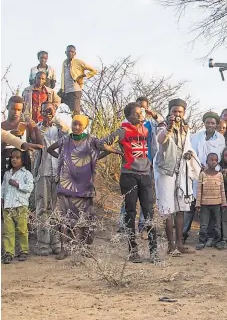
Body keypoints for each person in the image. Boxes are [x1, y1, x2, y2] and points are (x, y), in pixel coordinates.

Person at [48, 115, 114, 260]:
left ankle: (85, 248)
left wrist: (93, 159)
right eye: (74, 124)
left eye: (80, 125)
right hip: (66, 184)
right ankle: (65, 249)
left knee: (85, 218)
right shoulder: (65, 139)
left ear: (85, 126)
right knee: (64, 218)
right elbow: (50, 149)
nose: (76, 127)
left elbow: (106, 149)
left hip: (85, 184)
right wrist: (63, 159)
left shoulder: (92, 140)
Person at [99, 102, 158, 263]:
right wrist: (118, 151)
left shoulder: (145, 130)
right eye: (136, 113)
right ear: (128, 116)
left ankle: (154, 252)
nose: (140, 116)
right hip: (129, 175)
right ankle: (133, 251)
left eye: (141, 113)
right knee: (131, 212)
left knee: (149, 212)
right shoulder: (123, 131)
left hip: (145, 174)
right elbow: (102, 143)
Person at [155, 98, 200, 256]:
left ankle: (180, 244)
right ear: (170, 112)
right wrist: (169, 127)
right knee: (168, 209)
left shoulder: (186, 129)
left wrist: (189, 153)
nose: (177, 114)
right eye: (174, 111)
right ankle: (170, 246)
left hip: (181, 171)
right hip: (166, 171)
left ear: (184, 113)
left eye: (180, 111)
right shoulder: (162, 126)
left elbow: (187, 147)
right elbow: (161, 140)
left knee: (180, 208)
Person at [33, 102, 69, 256]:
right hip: (43, 172)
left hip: (58, 173)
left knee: (57, 210)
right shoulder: (38, 127)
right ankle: (43, 244)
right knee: (42, 208)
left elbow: (68, 134)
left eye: (50, 110)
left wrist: (56, 119)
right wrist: (44, 125)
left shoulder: (59, 127)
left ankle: (56, 243)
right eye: (44, 110)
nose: (47, 113)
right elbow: (37, 141)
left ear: (55, 111)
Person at [1, 149, 34, 264]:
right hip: (8, 206)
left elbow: (30, 188)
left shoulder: (26, 174)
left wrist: (17, 184)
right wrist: (1, 199)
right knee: (8, 231)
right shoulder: (7, 173)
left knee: (22, 230)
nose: (14, 159)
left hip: (21, 206)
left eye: (17, 157)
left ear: (23, 159)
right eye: (12, 157)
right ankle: (9, 253)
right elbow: (3, 188)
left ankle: (24, 251)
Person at [2, 96, 43, 176]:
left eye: (19, 110)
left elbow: (39, 145)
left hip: (23, 167)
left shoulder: (26, 126)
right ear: (7, 107)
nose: (16, 112)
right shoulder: (2, 126)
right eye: (13, 109)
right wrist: (8, 138)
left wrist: (35, 128)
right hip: (4, 166)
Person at [195, 153, 227, 250]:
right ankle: (202, 241)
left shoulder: (220, 175)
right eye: (211, 160)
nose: (213, 162)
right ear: (206, 162)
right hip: (204, 204)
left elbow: (222, 190)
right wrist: (198, 204)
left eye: (215, 160)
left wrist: (224, 203)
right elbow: (199, 191)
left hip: (217, 204)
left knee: (217, 225)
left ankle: (217, 241)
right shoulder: (202, 174)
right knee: (204, 224)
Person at [59, 45, 98, 115]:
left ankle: (77, 124)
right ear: (65, 52)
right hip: (65, 91)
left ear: (75, 53)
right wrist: (61, 89)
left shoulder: (78, 62)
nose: (70, 53)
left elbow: (94, 70)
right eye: (68, 51)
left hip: (75, 90)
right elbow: (63, 76)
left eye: (72, 52)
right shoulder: (64, 63)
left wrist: (83, 75)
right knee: (62, 110)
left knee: (75, 112)